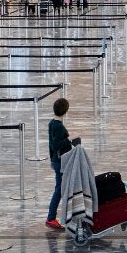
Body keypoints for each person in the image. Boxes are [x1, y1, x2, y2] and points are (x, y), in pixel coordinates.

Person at [44, 97, 78, 229]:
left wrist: (52, 160)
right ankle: (51, 217)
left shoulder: (52, 123)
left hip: (56, 160)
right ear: (65, 111)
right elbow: (56, 145)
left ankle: (61, 215)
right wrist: (69, 140)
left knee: (61, 187)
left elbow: (51, 145)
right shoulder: (58, 126)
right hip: (61, 161)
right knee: (59, 189)